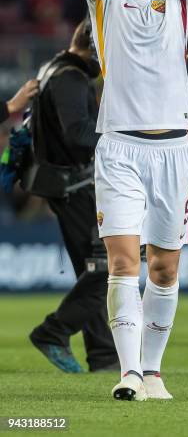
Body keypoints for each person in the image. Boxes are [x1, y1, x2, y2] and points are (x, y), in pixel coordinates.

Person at [78, 0, 188, 401]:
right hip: (120, 151)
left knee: (165, 267)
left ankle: (152, 370)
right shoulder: (103, 0)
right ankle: (128, 372)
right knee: (124, 261)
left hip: (175, 152)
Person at [29, 21, 118, 373]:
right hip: (74, 186)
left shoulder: (54, 67)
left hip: (65, 185)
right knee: (105, 269)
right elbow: (78, 133)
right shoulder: (70, 78)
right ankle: (53, 331)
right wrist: (119, 137)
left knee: (92, 270)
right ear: (93, 49)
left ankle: (104, 356)